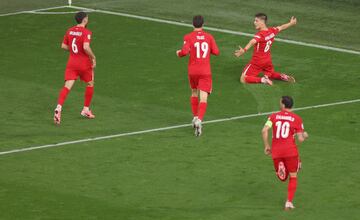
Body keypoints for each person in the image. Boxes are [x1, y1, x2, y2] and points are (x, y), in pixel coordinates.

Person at [262, 96, 309, 210]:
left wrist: (267, 146)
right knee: (293, 176)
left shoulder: (273, 116)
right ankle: (288, 202)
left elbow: (264, 130)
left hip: (276, 152)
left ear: (283, 105)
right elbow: (301, 139)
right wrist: (305, 135)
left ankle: (282, 168)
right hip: (290, 151)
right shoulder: (297, 119)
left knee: (282, 178)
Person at [176, 15, 220, 136]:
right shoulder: (209, 37)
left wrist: (178, 53)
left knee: (194, 93)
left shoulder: (188, 37)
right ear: (203, 24)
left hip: (193, 71)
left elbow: (184, 52)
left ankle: (195, 117)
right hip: (205, 71)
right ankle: (199, 120)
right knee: (204, 98)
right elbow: (216, 52)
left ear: (192, 24)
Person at [54, 11, 96, 125]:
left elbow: (63, 46)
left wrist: (74, 50)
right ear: (84, 20)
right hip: (84, 63)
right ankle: (86, 109)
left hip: (72, 63)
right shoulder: (86, 32)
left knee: (67, 87)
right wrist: (93, 57)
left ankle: (59, 107)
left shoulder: (69, 30)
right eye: (87, 18)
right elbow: (86, 47)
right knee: (90, 83)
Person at [235, 13, 297, 85]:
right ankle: (283, 77)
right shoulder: (272, 30)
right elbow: (281, 27)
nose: (254, 23)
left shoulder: (260, 34)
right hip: (267, 60)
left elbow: (252, 41)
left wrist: (244, 50)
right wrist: (291, 23)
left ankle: (263, 80)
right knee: (269, 73)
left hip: (257, 61)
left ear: (262, 22)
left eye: (256, 21)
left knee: (243, 79)